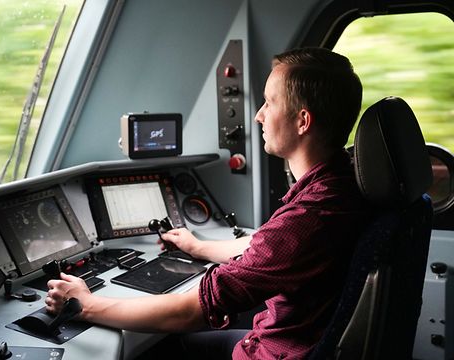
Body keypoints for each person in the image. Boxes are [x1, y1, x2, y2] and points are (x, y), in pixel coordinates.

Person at [45, 47, 370, 359]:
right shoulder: (341, 186)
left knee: (161, 346)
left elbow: (192, 311)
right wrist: (198, 247)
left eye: (270, 103)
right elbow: (266, 246)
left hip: (272, 353)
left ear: (303, 121)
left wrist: (85, 305)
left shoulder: (309, 217)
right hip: (289, 341)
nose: (258, 116)